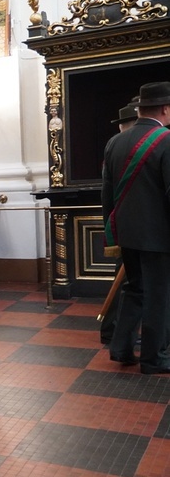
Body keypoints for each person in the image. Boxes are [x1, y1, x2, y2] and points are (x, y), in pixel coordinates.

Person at [102, 82, 170, 374]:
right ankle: (154, 359)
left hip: (126, 234)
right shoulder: (166, 140)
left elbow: (107, 194)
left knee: (135, 289)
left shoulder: (115, 143)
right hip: (159, 237)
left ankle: (121, 348)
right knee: (160, 295)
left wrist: (113, 232)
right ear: (166, 109)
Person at [99, 101, 138, 345]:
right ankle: (114, 331)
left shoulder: (114, 144)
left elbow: (107, 193)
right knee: (128, 284)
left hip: (122, 225)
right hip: (137, 227)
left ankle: (113, 330)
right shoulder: (120, 146)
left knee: (124, 281)